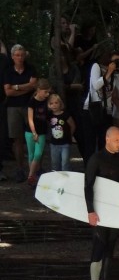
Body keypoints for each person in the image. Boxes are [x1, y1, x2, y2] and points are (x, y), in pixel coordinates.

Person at [84, 126, 119, 280]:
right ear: (107, 138)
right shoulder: (96, 159)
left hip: (115, 212)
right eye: (117, 140)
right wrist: (90, 211)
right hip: (99, 211)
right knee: (99, 246)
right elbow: (88, 186)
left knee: (110, 248)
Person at [2, 44, 39, 183]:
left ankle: (36, 168)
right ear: (12, 56)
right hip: (12, 108)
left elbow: (34, 85)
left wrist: (16, 87)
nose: (20, 57)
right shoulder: (8, 71)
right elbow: (8, 92)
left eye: (22, 55)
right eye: (17, 55)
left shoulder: (31, 68)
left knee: (34, 136)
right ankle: (20, 169)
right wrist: (27, 87)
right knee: (17, 139)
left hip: (30, 106)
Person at [24, 77, 52, 186]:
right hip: (30, 132)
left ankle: (30, 175)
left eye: (48, 92)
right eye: (45, 92)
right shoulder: (32, 101)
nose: (47, 94)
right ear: (39, 90)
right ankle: (33, 178)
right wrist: (34, 132)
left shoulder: (47, 101)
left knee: (38, 153)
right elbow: (30, 119)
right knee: (31, 154)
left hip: (42, 132)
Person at [46, 93, 76, 172]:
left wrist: (70, 135)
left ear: (60, 103)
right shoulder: (49, 115)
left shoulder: (65, 114)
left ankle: (65, 180)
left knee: (65, 163)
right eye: (51, 103)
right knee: (55, 164)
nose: (54, 105)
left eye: (56, 103)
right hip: (54, 144)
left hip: (65, 143)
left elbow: (72, 125)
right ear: (49, 105)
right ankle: (56, 180)